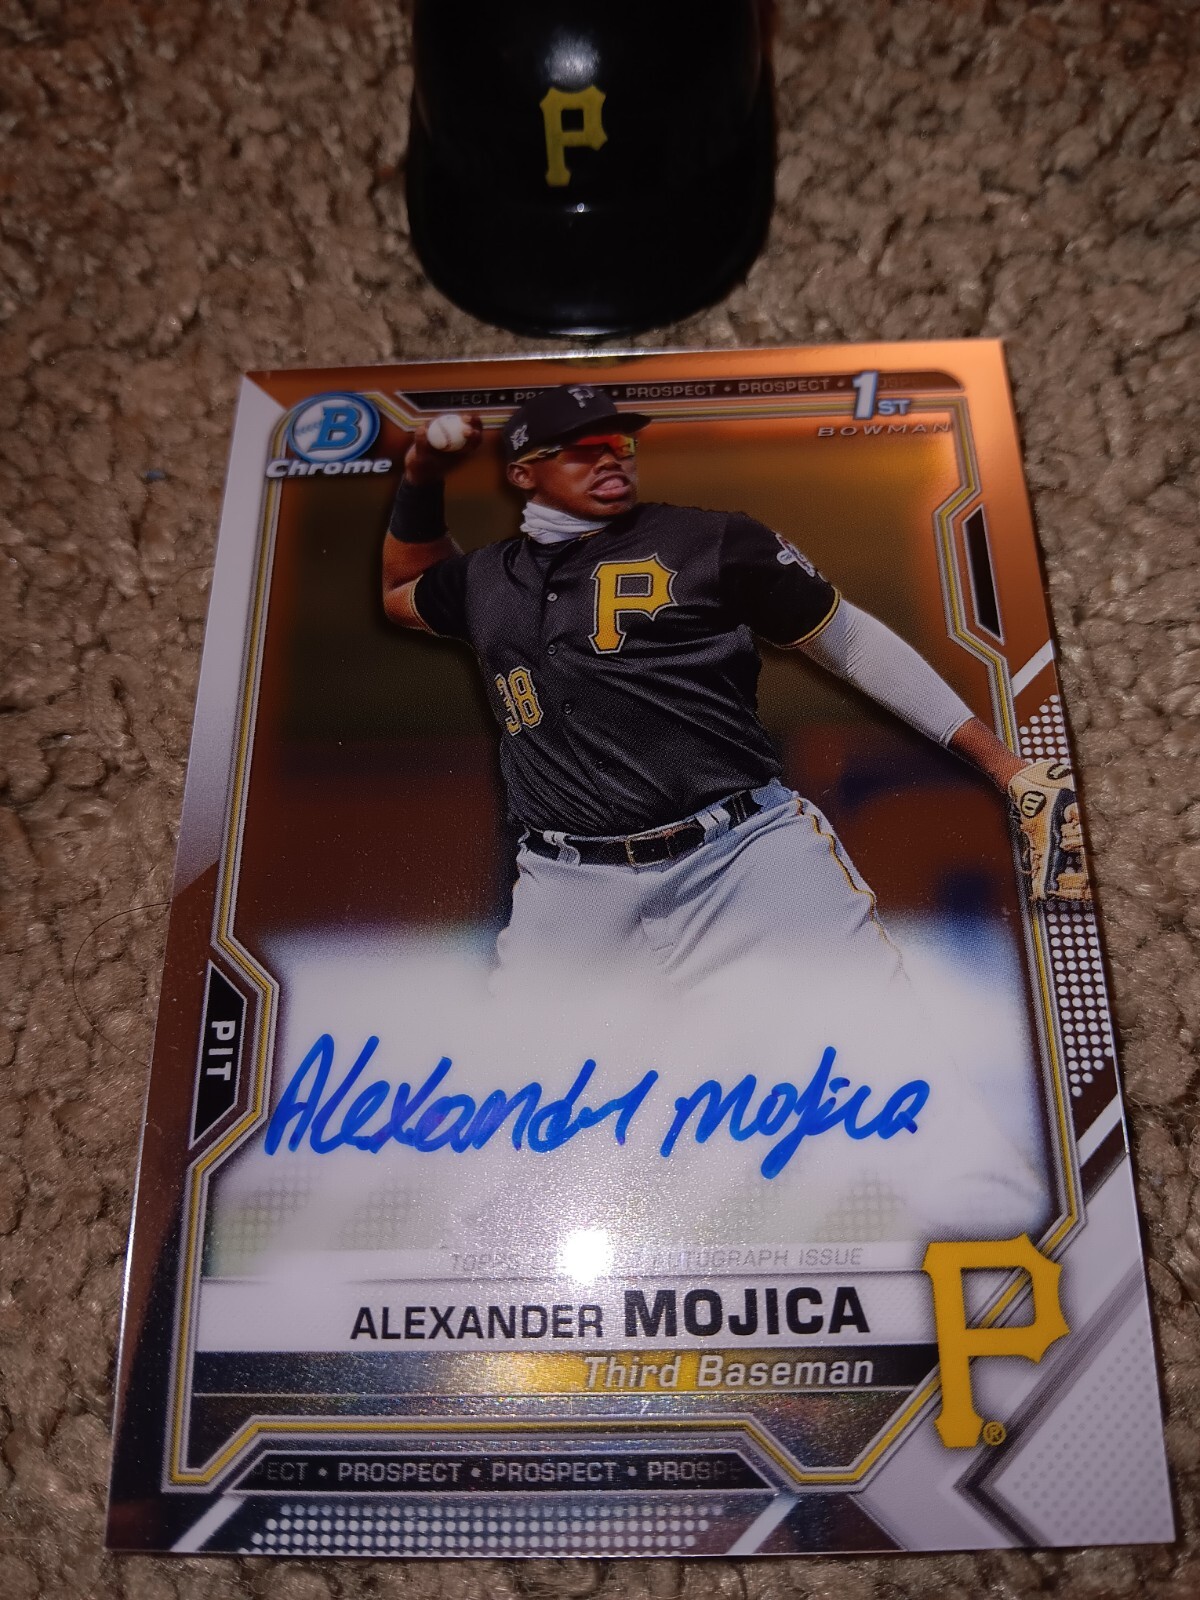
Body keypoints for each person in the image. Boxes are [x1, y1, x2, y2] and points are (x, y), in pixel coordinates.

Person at [381, 383, 1066, 1238]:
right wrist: (420, 472)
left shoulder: (708, 540)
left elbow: (850, 641)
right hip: (569, 884)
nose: (612, 458)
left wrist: (1002, 763)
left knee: (889, 1067)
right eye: (584, 448)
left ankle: (1004, 1266)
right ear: (525, 472)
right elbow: (405, 585)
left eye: (620, 443)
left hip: (741, 854)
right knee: (508, 1141)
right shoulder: (488, 579)